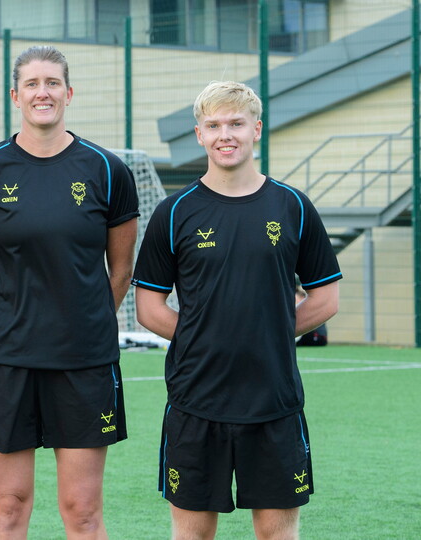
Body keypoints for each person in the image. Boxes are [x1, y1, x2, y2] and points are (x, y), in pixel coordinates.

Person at [132, 81, 341, 540]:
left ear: (256, 130)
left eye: (236, 124)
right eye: (214, 125)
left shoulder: (293, 206)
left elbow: (325, 298)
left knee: (277, 534)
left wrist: (272, 333)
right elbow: (149, 306)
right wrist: (203, 339)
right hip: (196, 400)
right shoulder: (174, 212)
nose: (226, 134)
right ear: (200, 135)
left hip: (274, 400)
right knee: (192, 535)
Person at [0, 45, 139, 539]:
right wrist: (13, 316)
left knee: (81, 510)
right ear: (16, 96)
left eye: (53, 83)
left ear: (69, 93)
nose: (44, 92)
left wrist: (82, 319)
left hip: (82, 361)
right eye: (33, 84)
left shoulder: (106, 170)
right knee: (10, 508)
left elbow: (119, 270)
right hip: (4, 360)